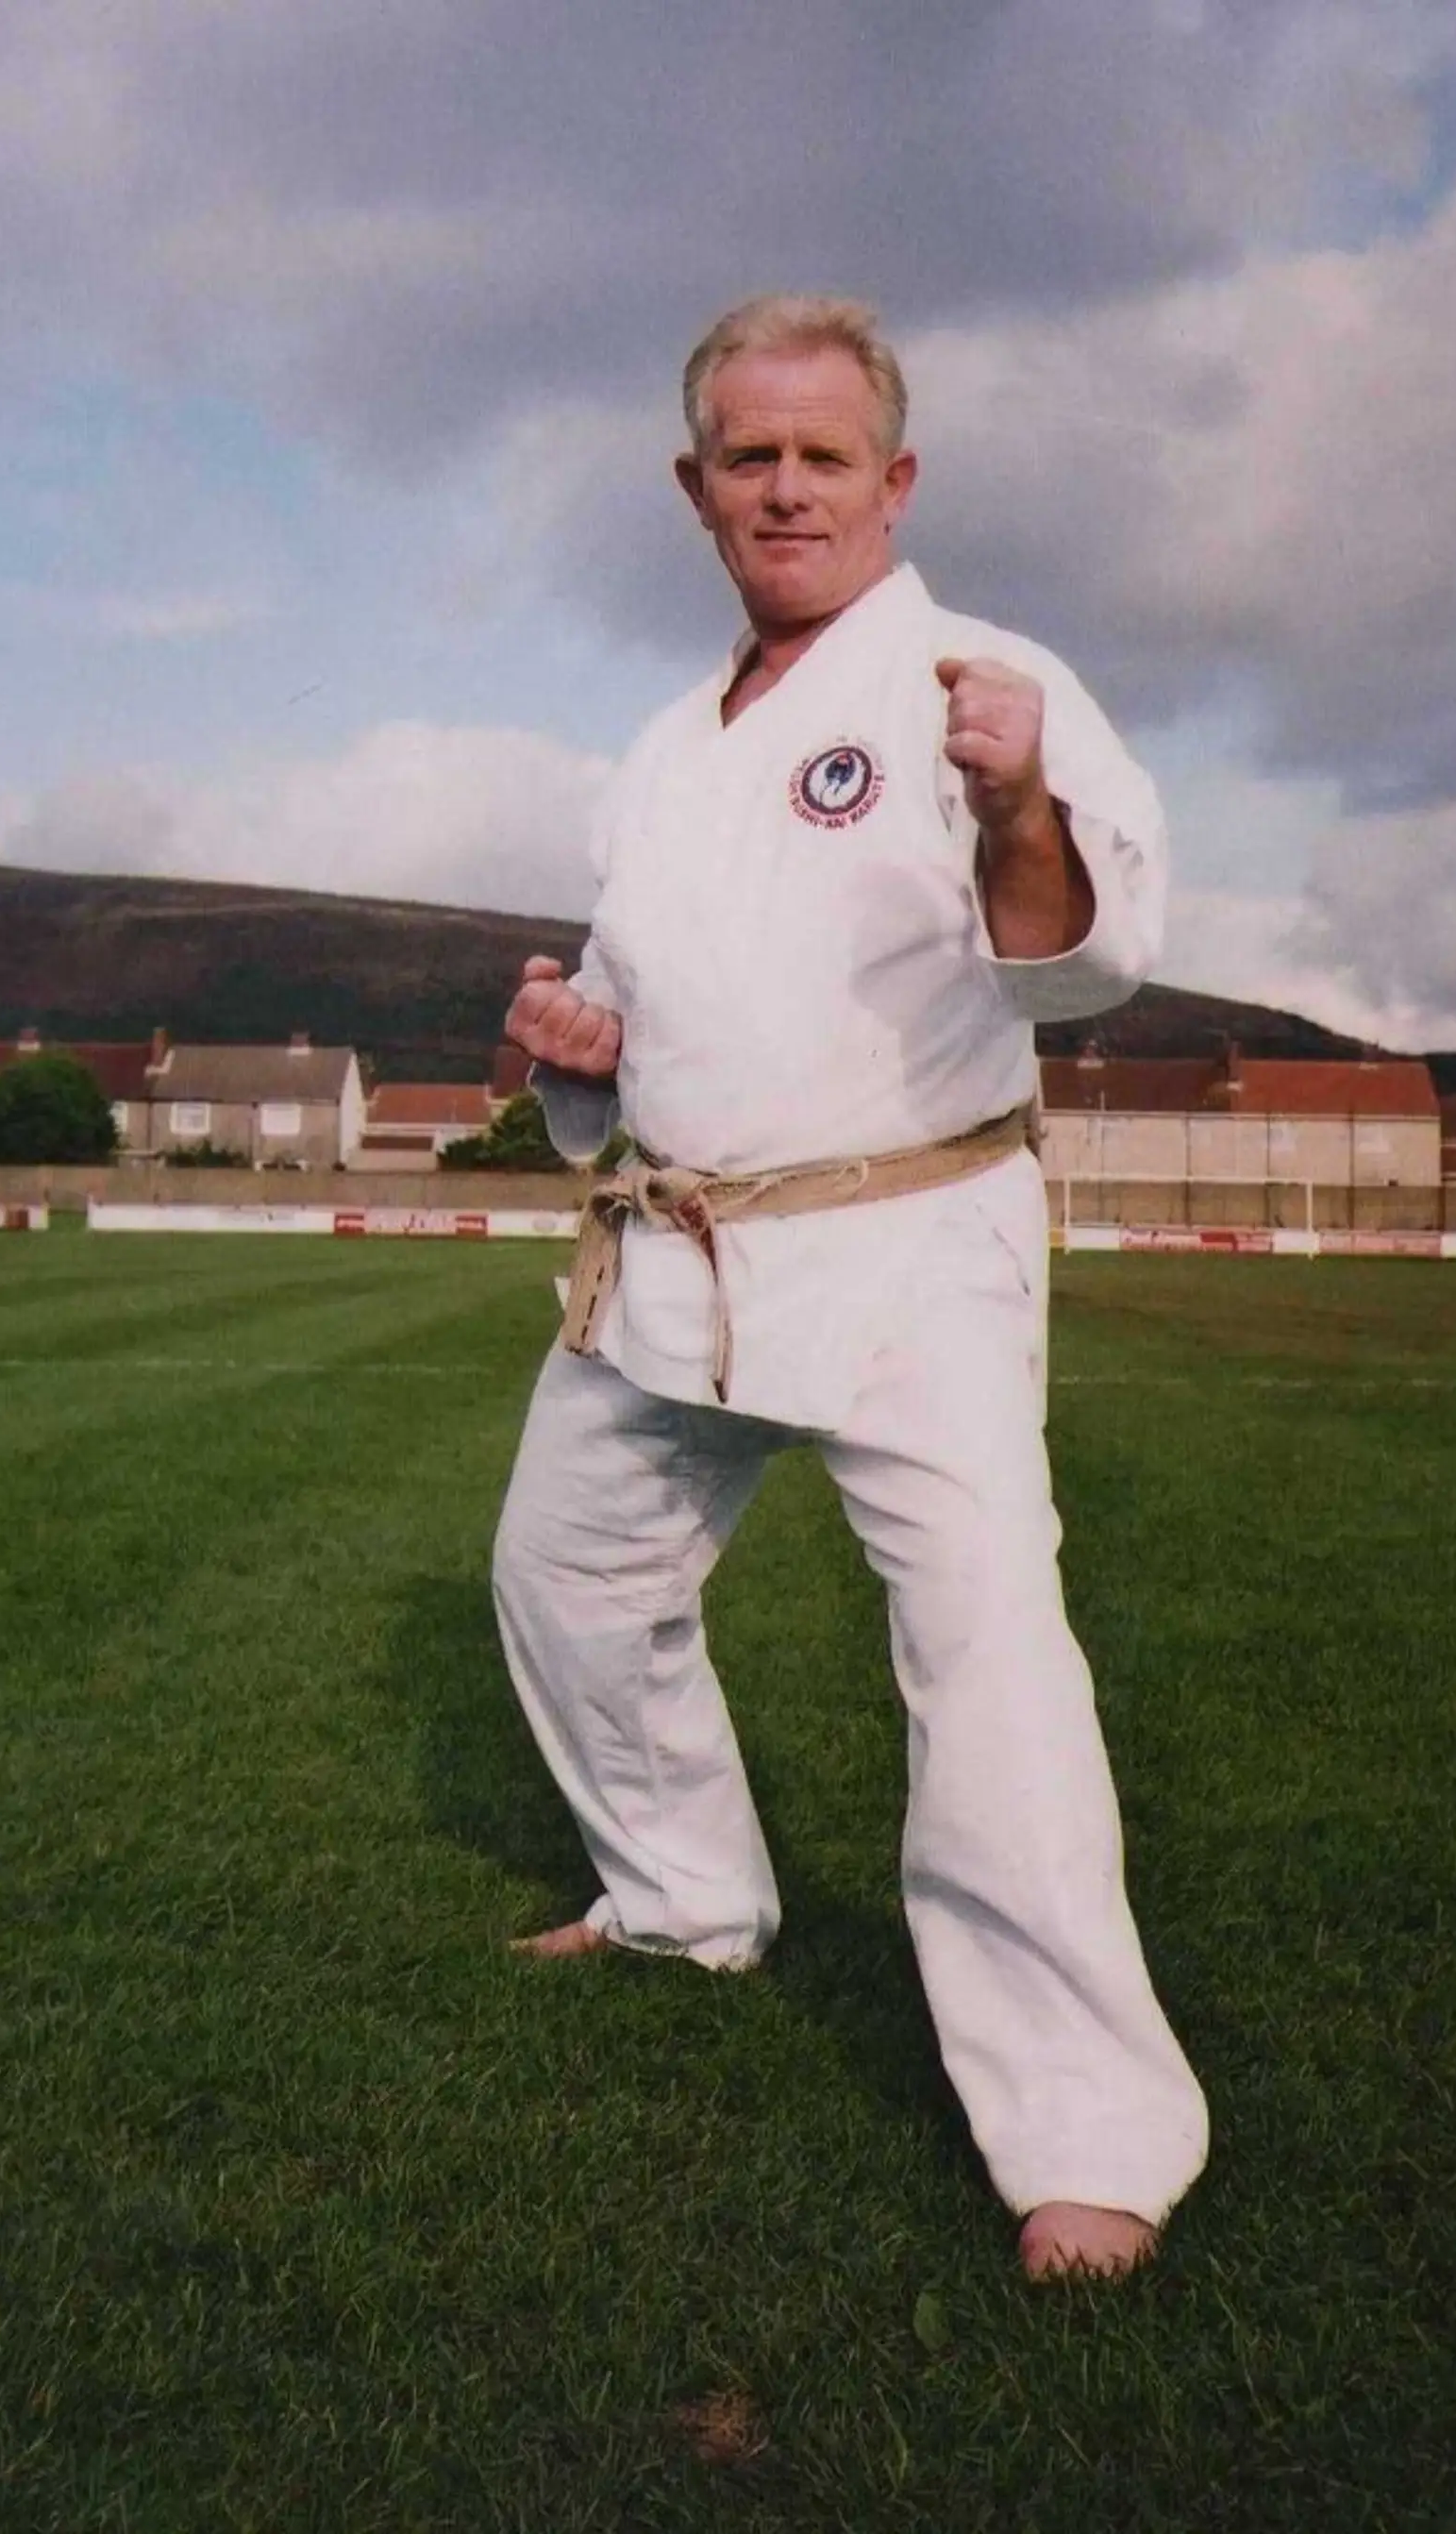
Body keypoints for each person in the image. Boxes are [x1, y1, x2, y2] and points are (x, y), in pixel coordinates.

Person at [492, 294, 1207, 2280]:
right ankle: (682, 1898)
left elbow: (1074, 965)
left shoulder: (985, 682)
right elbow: (644, 1002)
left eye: (823, 456)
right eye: (751, 456)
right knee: (566, 1572)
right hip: (687, 1249)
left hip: (911, 1251)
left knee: (986, 1658)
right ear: (695, 487)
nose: (786, 488)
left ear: (895, 481)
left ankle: (1085, 2132)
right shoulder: (663, 749)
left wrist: (1018, 804)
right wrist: (574, 1044)